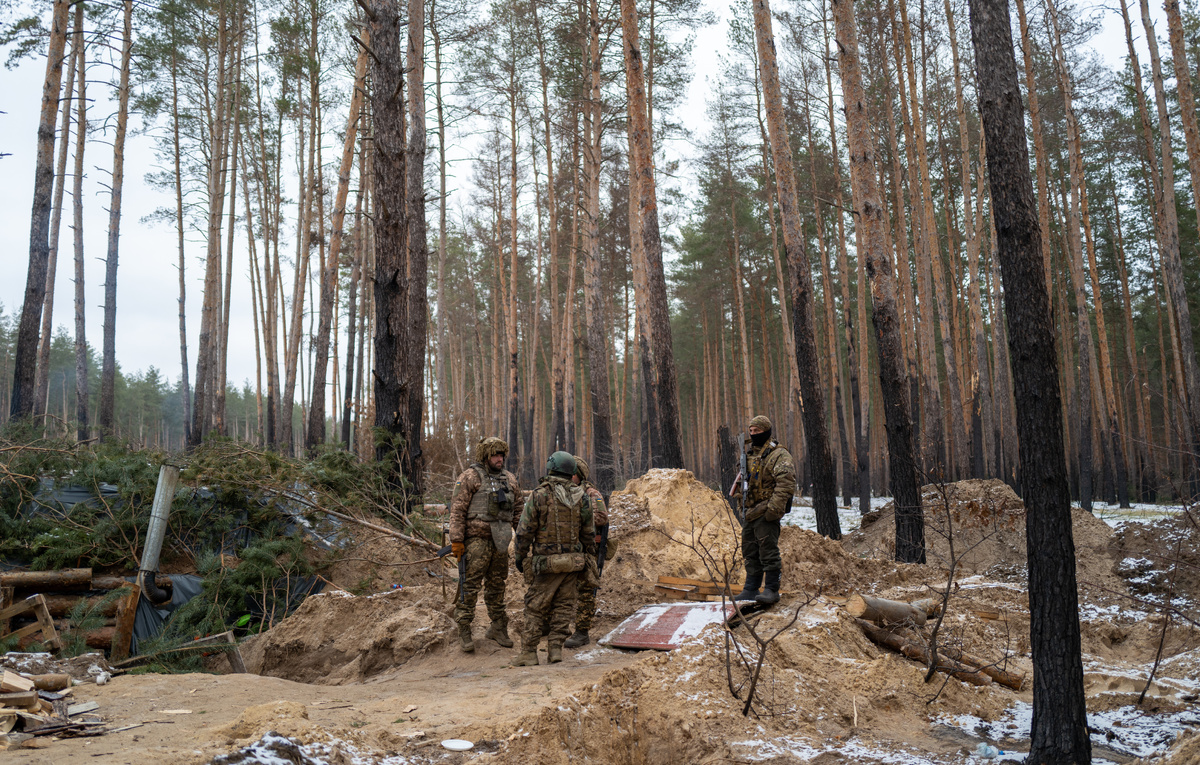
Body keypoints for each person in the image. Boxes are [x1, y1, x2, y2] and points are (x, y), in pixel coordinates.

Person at [513, 451, 596, 666]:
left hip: (546, 563)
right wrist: (589, 556)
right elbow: (589, 533)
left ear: (551, 468)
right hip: (573, 563)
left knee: (534, 607)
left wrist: (520, 557)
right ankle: (555, 650)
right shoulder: (582, 496)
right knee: (563, 607)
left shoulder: (539, 494)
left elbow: (524, 531)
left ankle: (529, 653)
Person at [448, 437, 525, 652]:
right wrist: (456, 540)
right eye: (495, 455)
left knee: (497, 585)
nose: (499, 459)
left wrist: (523, 537)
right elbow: (457, 510)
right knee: (470, 585)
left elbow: (519, 510)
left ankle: (498, 627)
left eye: (502, 455)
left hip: (500, 541)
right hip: (476, 541)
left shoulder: (509, 479)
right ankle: (464, 628)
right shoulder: (470, 477)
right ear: (485, 456)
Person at [733, 415, 795, 605]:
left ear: (766, 431)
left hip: (766, 510)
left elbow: (785, 483)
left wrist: (773, 511)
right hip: (750, 511)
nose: (753, 434)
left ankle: (771, 590)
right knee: (750, 551)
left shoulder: (778, 455)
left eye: (757, 431)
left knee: (768, 551)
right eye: (751, 431)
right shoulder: (751, 455)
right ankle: (751, 588)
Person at [564, 456, 607, 648]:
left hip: (586, 550)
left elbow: (601, 518)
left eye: (571, 473)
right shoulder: (562, 492)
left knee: (586, 591)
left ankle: (582, 632)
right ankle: (559, 627)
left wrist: (578, 519)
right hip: (567, 550)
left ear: (579, 475)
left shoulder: (591, 493)